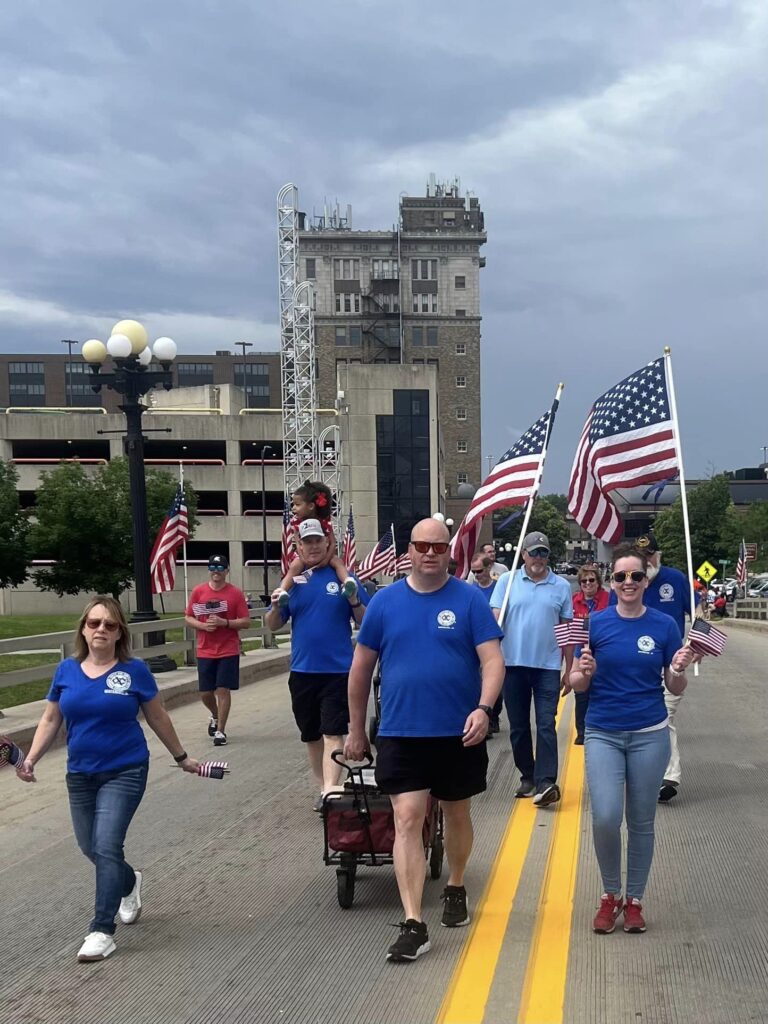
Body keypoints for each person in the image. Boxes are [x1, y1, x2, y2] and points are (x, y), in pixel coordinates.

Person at [344, 518, 504, 963]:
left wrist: (484, 708)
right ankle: (414, 921)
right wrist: (357, 729)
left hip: (459, 732)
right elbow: (359, 672)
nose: (430, 553)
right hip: (402, 731)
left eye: (438, 546)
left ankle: (454, 883)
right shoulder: (384, 603)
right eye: (421, 546)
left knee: (457, 811)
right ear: (409, 551)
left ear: (448, 551)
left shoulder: (470, 600)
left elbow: (492, 662)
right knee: (407, 817)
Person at [15, 597, 199, 963]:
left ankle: (101, 929)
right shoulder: (67, 670)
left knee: (105, 845)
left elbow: (158, 717)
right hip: (80, 773)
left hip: (126, 769)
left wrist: (182, 757)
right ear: (83, 628)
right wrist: (31, 758)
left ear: (120, 633)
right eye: (94, 623)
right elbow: (51, 719)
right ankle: (130, 883)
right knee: (91, 848)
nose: (101, 630)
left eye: (109, 625)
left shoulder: (135, 671)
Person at [569, 545, 694, 934]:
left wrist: (677, 668)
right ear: (612, 581)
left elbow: (676, 684)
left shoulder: (663, 626)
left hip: (649, 734)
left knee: (641, 821)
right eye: (620, 577)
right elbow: (575, 681)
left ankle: (635, 899)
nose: (628, 583)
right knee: (606, 816)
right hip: (604, 731)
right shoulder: (595, 624)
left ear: (645, 580)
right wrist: (584, 671)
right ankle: (610, 894)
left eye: (635, 577)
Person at [265, 518, 368, 809]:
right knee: (311, 735)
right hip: (302, 671)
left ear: (327, 542)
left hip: (338, 671)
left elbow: (365, 621)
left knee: (333, 732)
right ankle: (324, 786)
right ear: (298, 545)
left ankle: (331, 792)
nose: (312, 546)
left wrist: (354, 600)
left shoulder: (345, 579)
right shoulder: (294, 582)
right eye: (307, 541)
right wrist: (276, 605)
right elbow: (272, 625)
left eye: (317, 541)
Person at [490, 531, 573, 806]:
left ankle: (547, 780)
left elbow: (566, 629)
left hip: (547, 666)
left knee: (546, 724)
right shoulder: (506, 581)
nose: (538, 558)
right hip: (512, 665)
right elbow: (494, 622)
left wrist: (569, 668)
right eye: (533, 552)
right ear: (523, 554)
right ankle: (528, 775)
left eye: (543, 553)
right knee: (518, 727)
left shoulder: (560, 586)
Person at [611, 532, 693, 803]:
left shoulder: (677, 579)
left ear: (658, 556)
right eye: (641, 557)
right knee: (650, 719)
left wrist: (696, 645)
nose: (646, 562)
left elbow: (699, 613)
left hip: (670, 660)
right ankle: (645, 772)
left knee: (666, 714)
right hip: (636, 661)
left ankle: (670, 776)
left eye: (649, 557)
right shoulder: (626, 582)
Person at [185, 554, 251, 746]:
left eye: (220, 567)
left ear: (227, 571)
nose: (216, 571)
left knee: (223, 689)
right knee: (206, 692)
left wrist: (225, 622)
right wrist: (202, 626)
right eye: (212, 567)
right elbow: (188, 617)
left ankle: (220, 731)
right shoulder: (199, 592)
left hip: (228, 648)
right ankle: (214, 714)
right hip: (205, 648)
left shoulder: (235, 594)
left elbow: (246, 621)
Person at [275, 480, 356, 607]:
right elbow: (297, 542)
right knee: (294, 567)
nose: (294, 508)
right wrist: (303, 559)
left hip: (326, 555)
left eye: (297, 504)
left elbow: (332, 542)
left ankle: (347, 582)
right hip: (304, 557)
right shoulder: (297, 523)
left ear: (311, 506)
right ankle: (282, 591)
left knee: (338, 562)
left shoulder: (324, 521)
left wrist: (327, 559)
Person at [571, 564, 610, 745]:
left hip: (604, 650)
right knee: (581, 692)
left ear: (598, 582)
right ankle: (582, 731)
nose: (587, 584)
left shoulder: (608, 599)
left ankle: (603, 727)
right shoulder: (574, 600)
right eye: (584, 581)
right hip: (582, 650)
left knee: (602, 689)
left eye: (591, 580)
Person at [470, 553, 502, 735]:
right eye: (473, 572)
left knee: (493, 677)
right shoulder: (471, 591)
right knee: (478, 680)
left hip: (495, 640)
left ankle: (493, 714)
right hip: (475, 642)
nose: (477, 575)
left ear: (489, 568)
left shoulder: (498, 589)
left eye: (480, 571)